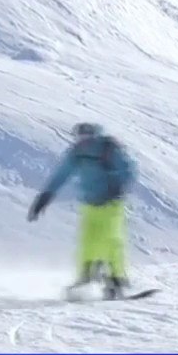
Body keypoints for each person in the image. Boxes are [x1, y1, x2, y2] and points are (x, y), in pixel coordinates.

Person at [27, 123, 137, 299]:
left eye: (88, 137)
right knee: (87, 239)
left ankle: (116, 278)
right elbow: (61, 174)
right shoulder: (76, 154)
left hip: (110, 203)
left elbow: (129, 170)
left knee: (111, 240)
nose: (84, 141)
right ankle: (86, 275)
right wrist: (46, 196)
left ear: (95, 136)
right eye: (81, 137)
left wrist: (118, 187)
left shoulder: (109, 149)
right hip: (90, 203)